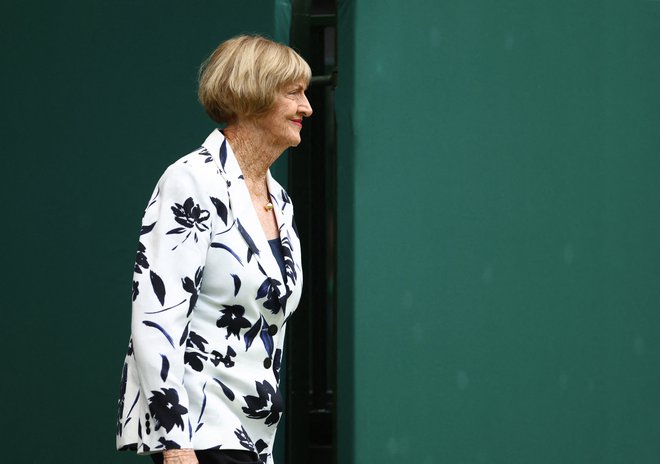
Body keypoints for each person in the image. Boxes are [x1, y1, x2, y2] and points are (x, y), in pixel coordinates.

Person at [116, 35, 313, 464]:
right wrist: (174, 445)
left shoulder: (279, 201)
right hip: (199, 436)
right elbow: (155, 318)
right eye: (294, 92)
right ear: (251, 95)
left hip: (254, 438)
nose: (307, 108)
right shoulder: (191, 181)